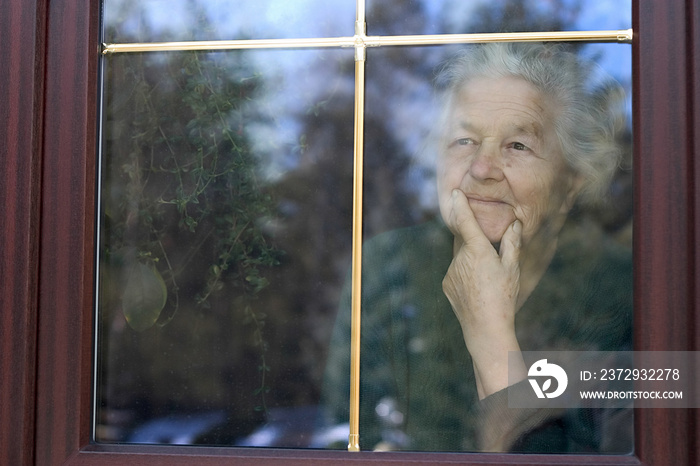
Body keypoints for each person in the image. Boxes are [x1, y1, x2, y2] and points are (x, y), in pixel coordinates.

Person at [320, 42, 632, 453]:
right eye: (464, 140)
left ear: (570, 183)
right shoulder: (386, 265)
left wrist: (491, 335)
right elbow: (344, 430)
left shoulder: (626, 293)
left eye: (517, 146)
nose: (482, 168)